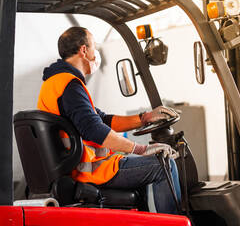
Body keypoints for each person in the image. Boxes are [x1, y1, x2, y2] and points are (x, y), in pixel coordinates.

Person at [37, 26, 181, 214]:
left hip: (78, 168)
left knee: (146, 167)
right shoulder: (69, 85)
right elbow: (93, 129)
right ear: (83, 50)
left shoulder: (56, 83)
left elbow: (102, 119)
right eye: (94, 46)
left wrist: (145, 118)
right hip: (89, 172)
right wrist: (141, 149)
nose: (96, 52)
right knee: (165, 166)